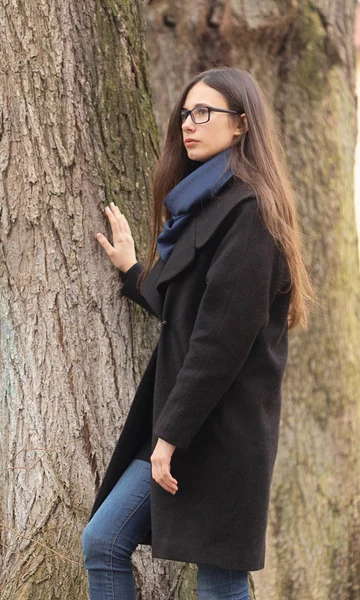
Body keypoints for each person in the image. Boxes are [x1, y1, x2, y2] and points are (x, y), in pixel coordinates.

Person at [82, 66, 315, 599]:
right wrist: (132, 271)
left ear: (241, 126)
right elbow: (186, 306)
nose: (190, 123)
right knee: (104, 542)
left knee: (220, 580)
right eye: (186, 112)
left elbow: (220, 340)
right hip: (185, 422)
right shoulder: (204, 204)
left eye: (205, 112)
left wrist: (169, 436)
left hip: (224, 432)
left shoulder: (252, 212)